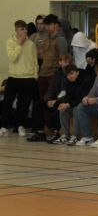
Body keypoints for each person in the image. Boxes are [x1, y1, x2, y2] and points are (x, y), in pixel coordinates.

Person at [29, 14, 69, 142]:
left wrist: (63, 77)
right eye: (45, 25)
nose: (46, 27)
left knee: (54, 103)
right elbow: (44, 57)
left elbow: (64, 59)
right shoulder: (47, 39)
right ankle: (44, 130)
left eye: (48, 25)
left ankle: (56, 130)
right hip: (43, 74)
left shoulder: (61, 40)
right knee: (43, 103)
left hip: (54, 75)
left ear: (56, 25)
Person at [0, 20, 38, 138]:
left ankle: (20, 126)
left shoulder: (31, 44)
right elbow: (12, 57)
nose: (25, 31)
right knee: (7, 102)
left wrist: (35, 76)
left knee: (24, 104)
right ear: (16, 30)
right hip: (14, 77)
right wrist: (19, 44)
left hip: (28, 78)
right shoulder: (10, 42)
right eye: (22, 29)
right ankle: (3, 126)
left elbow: (35, 61)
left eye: (25, 29)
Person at [54, 64, 93, 145]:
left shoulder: (86, 79)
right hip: (73, 104)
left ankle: (76, 136)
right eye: (68, 75)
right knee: (63, 110)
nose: (70, 76)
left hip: (85, 104)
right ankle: (65, 135)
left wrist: (68, 104)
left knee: (76, 109)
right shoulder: (67, 81)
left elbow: (83, 97)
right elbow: (67, 96)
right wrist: (64, 104)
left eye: (71, 73)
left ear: (77, 72)